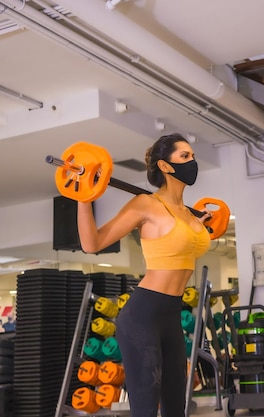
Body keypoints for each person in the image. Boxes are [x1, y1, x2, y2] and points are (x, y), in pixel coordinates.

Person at [77, 133, 211, 417]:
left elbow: (189, 242)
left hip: (171, 315)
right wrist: (83, 198)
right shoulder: (145, 205)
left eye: (193, 156)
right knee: (146, 404)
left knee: (176, 404)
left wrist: (202, 225)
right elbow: (93, 244)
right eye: (185, 156)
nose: (192, 161)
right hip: (142, 316)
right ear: (164, 166)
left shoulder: (188, 214)